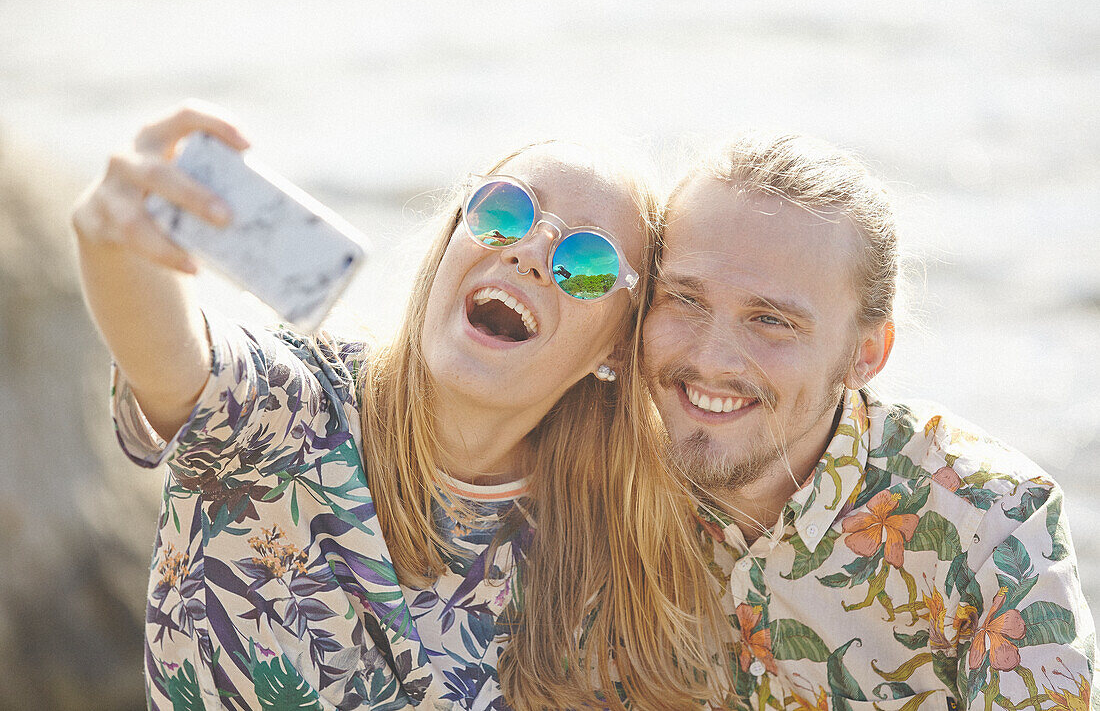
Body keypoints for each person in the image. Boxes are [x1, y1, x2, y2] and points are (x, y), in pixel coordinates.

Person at [71, 104, 728, 710]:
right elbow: (172, 360)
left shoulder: (606, 557)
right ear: (451, 239)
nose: (528, 252)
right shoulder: (290, 413)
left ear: (614, 345)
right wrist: (115, 242)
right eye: (505, 212)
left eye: (585, 261)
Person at [642, 132, 1096, 710]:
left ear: (867, 354)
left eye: (771, 320)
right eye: (685, 299)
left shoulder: (995, 522)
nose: (710, 358)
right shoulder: (590, 471)